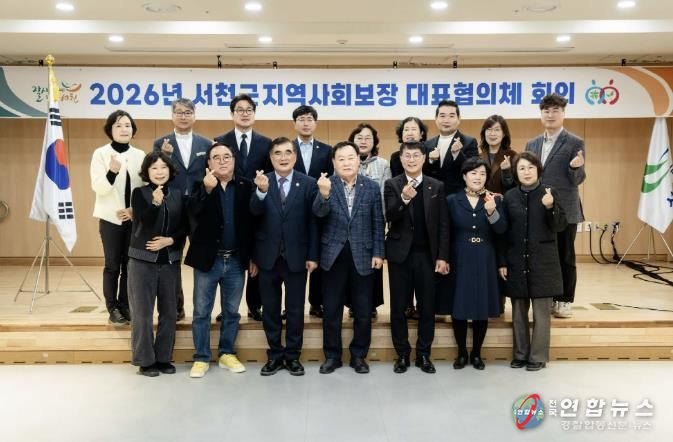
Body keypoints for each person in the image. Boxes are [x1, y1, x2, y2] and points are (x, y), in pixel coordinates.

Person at [184, 142, 256, 378]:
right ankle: (201, 357)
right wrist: (206, 190)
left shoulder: (246, 185)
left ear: (234, 160)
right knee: (201, 312)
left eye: (227, 156)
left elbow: (254, 224)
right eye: (216, 157)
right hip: (208, 260)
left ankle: (226, 353)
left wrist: (252, 257)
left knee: (232, 311)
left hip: (236, 260)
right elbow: (191, 213)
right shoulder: (200, 185)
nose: (222, 161)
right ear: (209, 163)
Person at [313, 141, 385, 374]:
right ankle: (332, 356)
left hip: (363, 254)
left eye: (350, 157)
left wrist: (378, 252)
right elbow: (318, 215)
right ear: (334, 163)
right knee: (331, 310)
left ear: (358, 160)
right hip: (332, 255)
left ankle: (359, 356)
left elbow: (378, 222)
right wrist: (324, 195)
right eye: (341, 159)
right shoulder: (326, 184)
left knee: (363, 311)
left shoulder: (371, 187)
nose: (346, 162)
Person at [250, 137, 319, 376]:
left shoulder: (308, 183)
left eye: (288, 152)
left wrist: (313, 255)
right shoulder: (262, 181)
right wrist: (260, 192)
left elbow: (313, 223)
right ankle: (275, 355)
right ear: (271, 158)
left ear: (295, 157)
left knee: (295, 310)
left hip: (297, 257)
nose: (283, 157)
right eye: (277, 153)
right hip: (267, 258)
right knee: (270, 310)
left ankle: (292, 356)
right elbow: (252, 217)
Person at [384, 141, 449, 374]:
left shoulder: (436, 185)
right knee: (398, 307)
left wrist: (443, 256)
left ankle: (423, 354)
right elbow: (389, 215)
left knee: (427, 307)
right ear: (401, 159)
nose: (411, 160)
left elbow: (443, 224)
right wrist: (403, 199)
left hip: (427, 256)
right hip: (400, 256)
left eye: (415, 156)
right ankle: (402, 354)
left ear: (423, 158)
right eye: (407, 156)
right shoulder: (392, 184)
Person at [499, 152, 567, 371]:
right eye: (521, 168)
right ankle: (520, 354)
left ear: (538, 169)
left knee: (541, 314)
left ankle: (538, 356)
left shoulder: (549, 192)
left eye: (530, 167)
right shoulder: (510, 196)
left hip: (544, 263)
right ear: (515, 172)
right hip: (516, 261)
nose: (526, 172)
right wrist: (502, 261)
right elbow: (503, 233)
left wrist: (550, 207)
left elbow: (560, 226)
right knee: (518, 313)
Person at [525, 93, 586, 318]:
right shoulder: (532, 143)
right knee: (544, 256)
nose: (550, 115)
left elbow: (578, 179)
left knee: (565, 256)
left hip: (565, 210)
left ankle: (565, 300)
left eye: (555, 111)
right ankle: (549, 297)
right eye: (546, 111)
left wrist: (575, 167)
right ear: (541, 114)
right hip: (538, 209)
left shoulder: (575, 142)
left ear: (563, 113)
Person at [443, 157, 507, 371]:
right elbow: (445, 232)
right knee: (459, 305)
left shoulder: (495, 200)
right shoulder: (452, 200)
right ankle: (462, 353)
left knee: (481, 306)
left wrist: (492, 212)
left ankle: (477, 354)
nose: (478, 177)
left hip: (485, 256)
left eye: (482, 173)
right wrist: (444, 258)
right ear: (464, 176)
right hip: (459, 256)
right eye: (473, 173)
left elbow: (502, 232)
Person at [214, 93, 272, 322]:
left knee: (255, 255)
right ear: (232, 114)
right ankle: (227, 308)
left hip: (257, 205)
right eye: (240, 110)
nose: (245, 114)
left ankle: (254, 305)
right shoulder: (220, 140)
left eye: (249, 110)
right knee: (228, 258)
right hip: (228, 204)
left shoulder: (266, 143)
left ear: (254, 114)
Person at [127, 151, 186, 376]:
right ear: (147, 172)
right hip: (142, 261)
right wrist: (155, 202)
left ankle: (163, 358)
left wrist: (170, 240)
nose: (159, 172)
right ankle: (145, 361)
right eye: (154, 168)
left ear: (170, 171)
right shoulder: (139, 193)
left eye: (163, 167)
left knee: (169, 312)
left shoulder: (179, 194)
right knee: (142, 313)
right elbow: (145, 222)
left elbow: (185, 226)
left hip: (170, 260)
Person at [153, 98, 212, 321]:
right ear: (172, 116)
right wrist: (165, 156)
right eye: (179, 112)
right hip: (172, 206)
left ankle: (202, 309)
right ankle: (176, 308)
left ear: (194, 116)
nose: (183, 116)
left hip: (199, 208)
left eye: (188, 112)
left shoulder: (206, 143)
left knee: (201, 257)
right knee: (171, 258)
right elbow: (155, 173)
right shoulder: (160, 143)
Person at [90, 110, 146, 325]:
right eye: (118, 125)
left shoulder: (139, 155)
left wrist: (134, 210)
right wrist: (112, 171)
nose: (124, 129)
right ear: (110, 130)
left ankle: (125, 305)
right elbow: (99, 188)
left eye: (127, 125)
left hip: (133, 219)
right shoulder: (100, 154)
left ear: (133, 130)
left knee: (130, 265)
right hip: (110, 220)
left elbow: (145, 188)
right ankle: (112, 308)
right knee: (112, 265)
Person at [292, 105, 333, 318]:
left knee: (318, 254)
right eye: (301, 119)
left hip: (319, 209)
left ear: (315, 123)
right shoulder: (286, 148)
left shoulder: (327, 150)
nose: (306, 123)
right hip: (292, 209)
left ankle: (316, 302)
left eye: (309, 119)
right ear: (294, 124)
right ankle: (290, 304)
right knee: (292, 258)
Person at [349, 123, 390, 317]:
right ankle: (352, 304)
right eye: (359, 137)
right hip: (350, 223)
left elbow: (385, 193)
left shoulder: (382, 164)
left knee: (373, 263)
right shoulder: (346, 161)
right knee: (352, 264)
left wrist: (382, 219)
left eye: (368, 138)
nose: (363, 141)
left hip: (373, 221)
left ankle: (371, 304)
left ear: (374, 142)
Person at [424, 99, 478, 195]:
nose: (446, 120)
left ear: (459, 119)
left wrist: (457, 154)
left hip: (458, 197)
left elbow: (473, 171)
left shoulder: (469, 142)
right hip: (433, 197)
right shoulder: (427, 144)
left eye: (451, 116)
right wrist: (431, 160)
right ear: (436, 119)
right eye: (442, 116)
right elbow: (423, 174)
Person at [478, 114, 517, 195]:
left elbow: (513, 186)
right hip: (482, 200)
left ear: (504, 134)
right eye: (489, 129)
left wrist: (506, 171)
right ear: (484, 133)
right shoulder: (478, 157)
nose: (492, 134)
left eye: (497, 130)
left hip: (504, 201)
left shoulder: (513, 156)